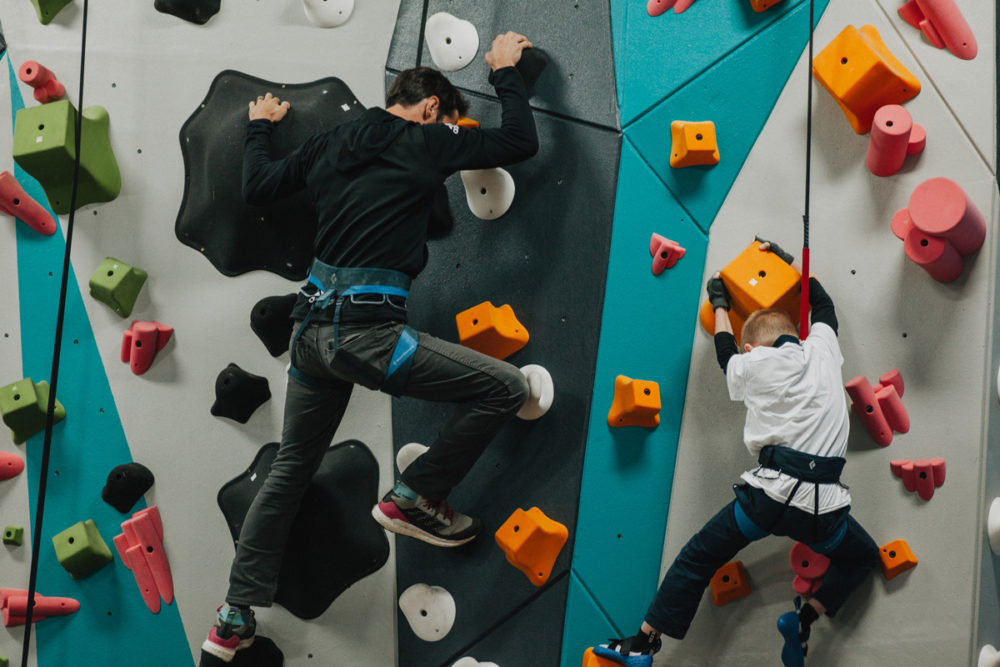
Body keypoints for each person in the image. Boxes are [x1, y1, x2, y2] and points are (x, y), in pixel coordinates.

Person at [201, 32, 539, 663]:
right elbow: (522, 141)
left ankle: (232, 616)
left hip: (309, 338)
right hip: (368, 336)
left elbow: (259, 186)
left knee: (288, 473)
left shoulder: (329, 143)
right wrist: (504, 72)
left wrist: (258, 128)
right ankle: (413, 497)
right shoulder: (433, 138)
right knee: (505, 387)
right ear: (434, 108)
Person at [592, 240, 879, 667]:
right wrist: (788, 266)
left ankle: (643, 645)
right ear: (795, 335)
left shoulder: (754, 363)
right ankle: (804, 620)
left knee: (699, 556)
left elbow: (726, 354)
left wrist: (720, 303)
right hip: (823, 511)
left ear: (753, 348)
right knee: (863, 556)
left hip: (768, 499)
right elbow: (823, 304)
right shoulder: (823, 349)